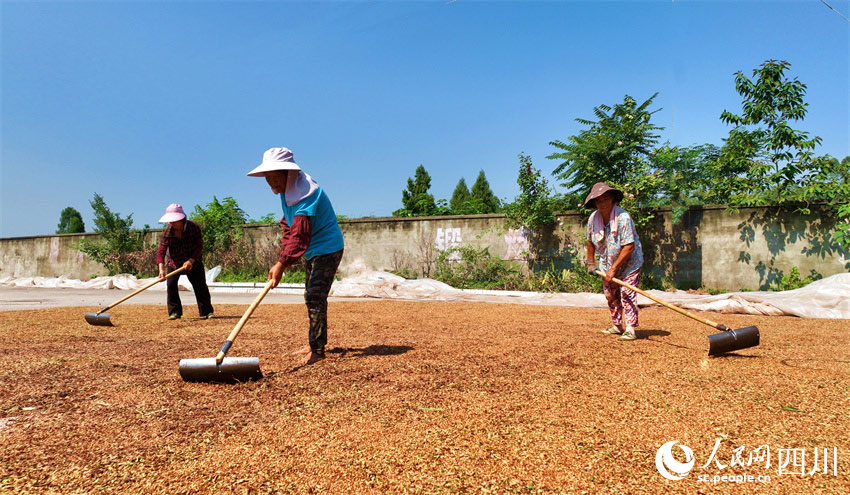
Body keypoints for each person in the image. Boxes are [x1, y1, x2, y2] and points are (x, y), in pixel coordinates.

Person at [247, 147, 345, 365]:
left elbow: (300, 235)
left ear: (288, 173)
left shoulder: (306, 193)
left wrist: (282, 263)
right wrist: (283, 258)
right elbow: (288, 226)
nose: (271, 182)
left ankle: (317, 351)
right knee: (311, 295)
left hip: (327, 248)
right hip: (313, 250)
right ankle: (314, 344)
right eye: (267, 177)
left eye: (274, 176)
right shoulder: (288, 192)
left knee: (315, 296)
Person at [584, 182, 643, 341]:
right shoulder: (593, 219)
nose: (602, 203)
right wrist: (591, 263)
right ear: (594, 203)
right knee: (610, 294)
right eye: (599, 200)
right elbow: (590, 241)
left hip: (630, 263)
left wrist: (614, 269)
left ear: (613, 200)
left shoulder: (623, 217)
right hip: (607, 263)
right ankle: (617, 325)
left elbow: (629, 247)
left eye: (606, 199)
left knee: (627, 293)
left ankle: (630, 328)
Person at [156, 203, 215, 320]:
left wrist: (191, 261)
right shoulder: (167, 232)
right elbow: (161, 251)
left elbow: (199, 246)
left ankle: (207, 311)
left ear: (182, 219)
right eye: (170, 221)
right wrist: (161, 269)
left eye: (174, 220)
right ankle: (175, 312)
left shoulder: (193, 227)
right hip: (174, 263)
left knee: (200, 286)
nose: (172, 223)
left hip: (194, 262)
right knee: (171, 285)